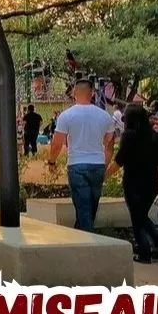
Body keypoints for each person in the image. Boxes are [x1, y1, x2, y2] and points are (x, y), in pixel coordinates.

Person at [48, 79, 115, 231]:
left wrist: (52, 161)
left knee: (83, 206)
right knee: (91, 206)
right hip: (98, 164)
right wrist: (105, 165)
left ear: (74, 94)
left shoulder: (66, 116)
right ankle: (83, 234)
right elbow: (109, 144)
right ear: (92, 94)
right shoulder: (104, 116)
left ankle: (87, 239)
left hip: (77, 165)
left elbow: (57, 143)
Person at [109, 104, 158, 263]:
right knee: (141, 215)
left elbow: (119, 160)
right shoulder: (155, 136)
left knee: (137, 218)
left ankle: (145, 252)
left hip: (133, 182)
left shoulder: (128, 136)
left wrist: (104, 176)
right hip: (151, 183)